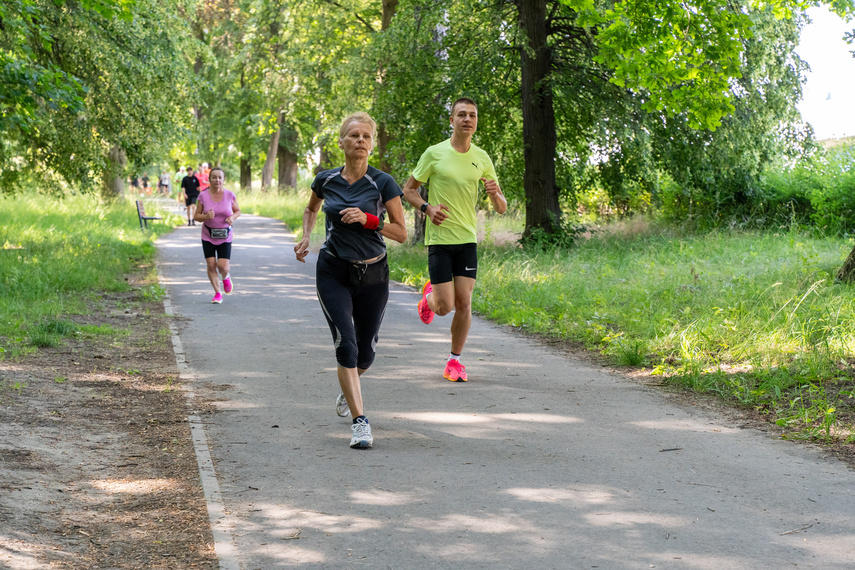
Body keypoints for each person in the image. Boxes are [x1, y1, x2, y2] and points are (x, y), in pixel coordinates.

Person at [294, 112, 407, 449]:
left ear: (372, 145)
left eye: (366, 137)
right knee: (347, 344)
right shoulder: (325, 180)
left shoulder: (383, 182)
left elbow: (401, 233)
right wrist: (305, 236)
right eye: (354, 135)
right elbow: (312, 208)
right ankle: (360, 422)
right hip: (333, 271)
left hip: (374, 274)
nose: (360, 141)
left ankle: (349, 385)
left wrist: (369, 219)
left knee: (365, 355)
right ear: (341, 142)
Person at [401, 97, 507, 382]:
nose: (467, 119)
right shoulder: (434, 154)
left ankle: (454, 361)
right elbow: (408, 190)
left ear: (476, 122)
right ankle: (429, 298)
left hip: (467, 240)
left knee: (465, 303)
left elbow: (501, 207)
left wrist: (496, 193)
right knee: (445, 306)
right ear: (452, 120)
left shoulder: (482, 158)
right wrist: (427, 208)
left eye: (472, 115)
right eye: (461, 115)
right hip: (439, 241)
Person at [195, 167, 240, 304]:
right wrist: (206, 216)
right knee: (211, 264)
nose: (217, 180)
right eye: (214, 177)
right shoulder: (203, 196)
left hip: (225, 235)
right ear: (209, 180)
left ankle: (226, 277)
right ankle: (217, 293)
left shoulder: (230, 195)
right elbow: (196, 216)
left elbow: (238, 211)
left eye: (220, 177)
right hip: (208, 234)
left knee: (223, 267)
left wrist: (232, 217)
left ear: (224, 180)